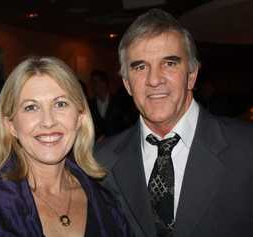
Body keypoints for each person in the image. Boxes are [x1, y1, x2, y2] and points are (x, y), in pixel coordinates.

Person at [95, 8, 253, 237]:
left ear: (192, 75)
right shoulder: (100, 163)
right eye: (140, 67)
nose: (154, 79)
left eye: (169, 63)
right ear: (127, 84)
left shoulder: (246, 148)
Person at [0, 57, 131, 237]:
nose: (48, 121)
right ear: (10, 125)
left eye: (61, 104)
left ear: (80, 118)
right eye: (31, 107)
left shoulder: (107, 202)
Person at [89, 69, 136, 141]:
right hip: (98, 147)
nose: (93, 85)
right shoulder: (90, 105)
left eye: (95, 82)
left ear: (104, 83)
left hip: (119, 144)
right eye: (92, 83)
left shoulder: (119, 101)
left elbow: (128, 125)